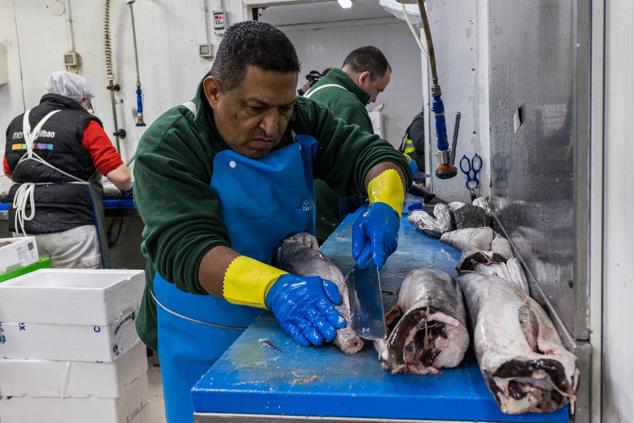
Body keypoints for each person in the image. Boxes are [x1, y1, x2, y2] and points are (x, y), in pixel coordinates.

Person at [133, 21, 410, 423]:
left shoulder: (301, 120)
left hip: (295, 323)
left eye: (284, 108)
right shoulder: (172, 145)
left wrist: (386, 203)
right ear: (214, 92)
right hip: (201, 327)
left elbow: (366, 152)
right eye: (255, 108)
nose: (273, 126)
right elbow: (188, 249)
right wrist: (276, 289)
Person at [3, 71, 132, 269]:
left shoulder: (17, 122)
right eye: (88, 103)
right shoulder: (84, 123)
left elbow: (10, 171)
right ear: (81, 99)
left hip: (24, 231)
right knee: (83, 294)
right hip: (71, 231)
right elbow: (122, 178)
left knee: (41, 295)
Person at [304, 46, 394, 243]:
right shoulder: (349, 104)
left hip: (306, 210)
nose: (374, 99)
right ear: (364, 78)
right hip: (327, 216)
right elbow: (362, 163)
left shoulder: (317, 90)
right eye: (377, 90)